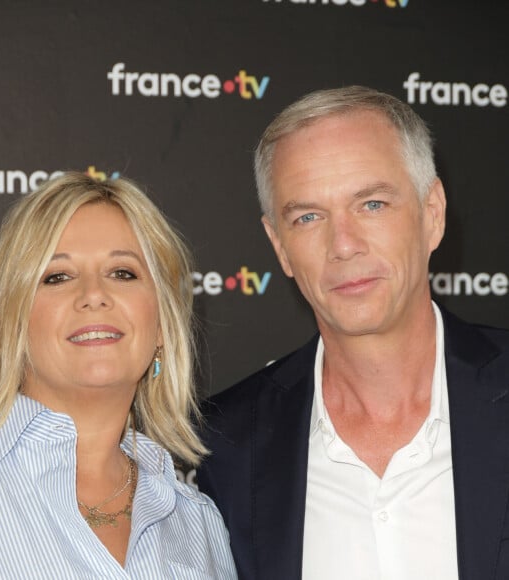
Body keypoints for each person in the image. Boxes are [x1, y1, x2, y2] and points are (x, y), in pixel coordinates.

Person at [197, 86, 509, 580]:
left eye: (372, 205)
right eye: (308, 217)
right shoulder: (226, 446)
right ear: (280, 248)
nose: (342, 244)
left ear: (433, 214)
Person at [0, 172, 237, 579]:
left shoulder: (198, 523)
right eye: (57, 277)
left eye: (123, 273)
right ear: (13, 322)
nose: (94, 294)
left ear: (162, 325)